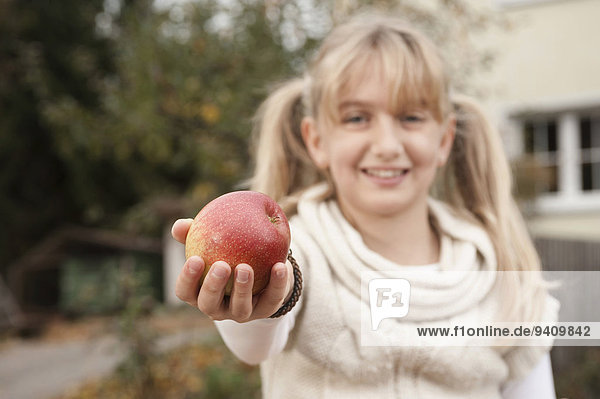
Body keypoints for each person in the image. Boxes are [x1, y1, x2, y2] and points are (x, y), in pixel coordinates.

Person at [171, 13, 559, 398]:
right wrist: (259, 297)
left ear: (444, 139)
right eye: (357, 118)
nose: (387, 145)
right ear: (317, 140)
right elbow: (257, 338)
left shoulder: (503, 275)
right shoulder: (298, 252)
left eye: (410, 117)